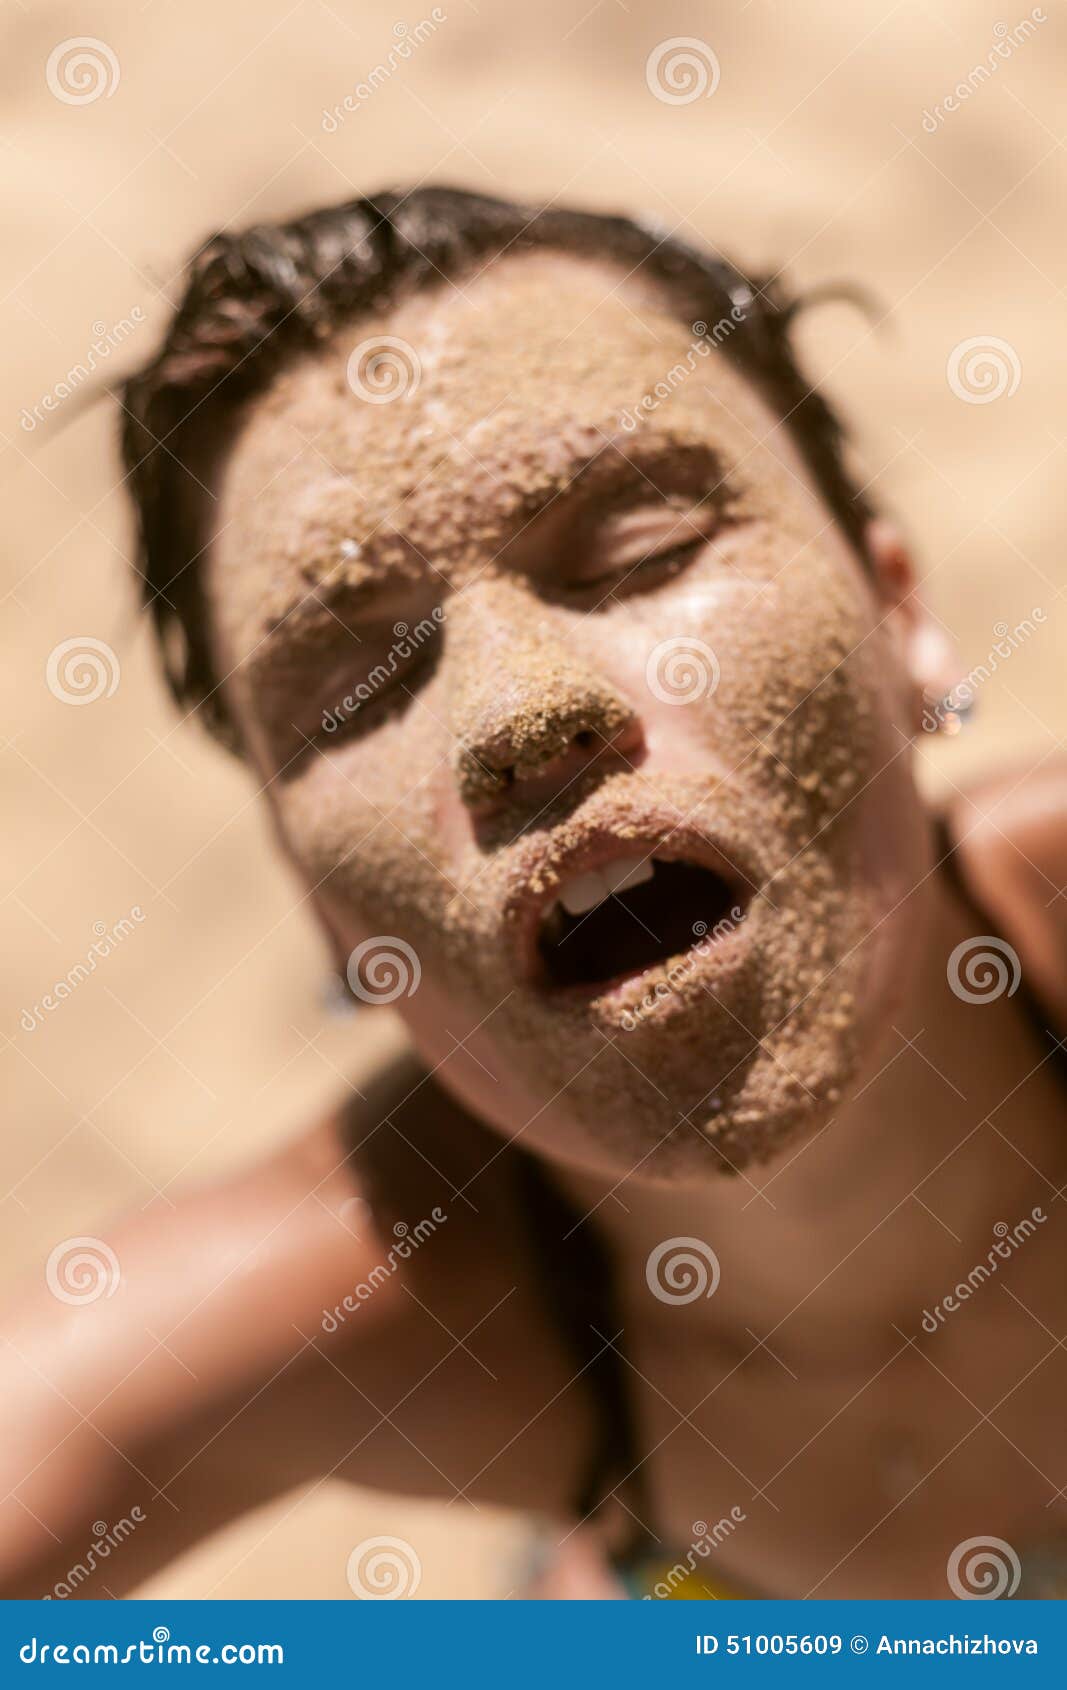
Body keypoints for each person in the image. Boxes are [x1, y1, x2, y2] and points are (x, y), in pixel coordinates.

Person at [3, 188, 1065, 1601]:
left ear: (899, 614)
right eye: (351, 688)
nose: (521, 714)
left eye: (645, 551)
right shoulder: (371, 1296)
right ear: (316, 898)